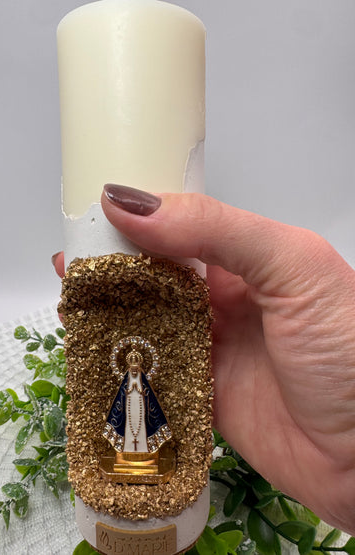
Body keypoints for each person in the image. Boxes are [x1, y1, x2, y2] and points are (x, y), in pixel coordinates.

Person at [52, 183, 355, 535]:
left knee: (141, 430)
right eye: (130, 362)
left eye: (136, 362)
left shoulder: (143, 382)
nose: (133, 365)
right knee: (128, 431)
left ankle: (144, 457)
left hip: (143, 408)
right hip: (130, 409)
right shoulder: (128, 382)